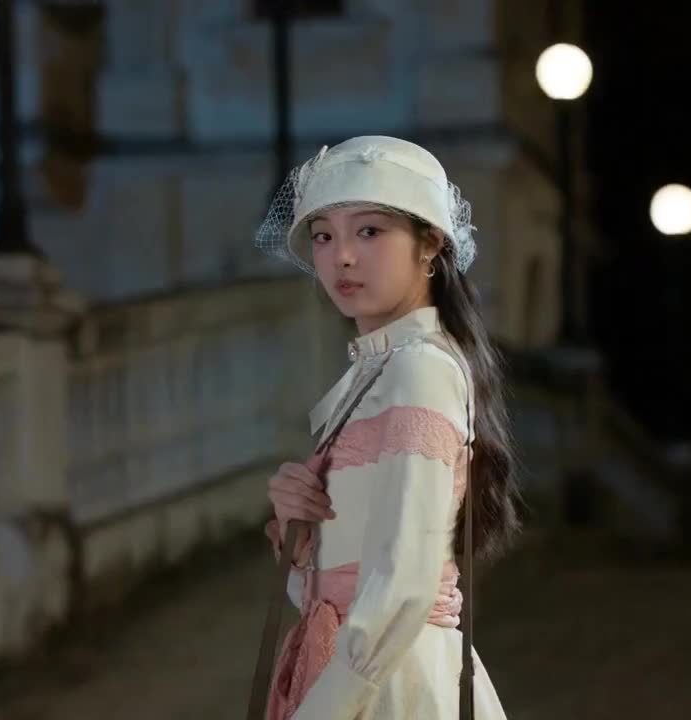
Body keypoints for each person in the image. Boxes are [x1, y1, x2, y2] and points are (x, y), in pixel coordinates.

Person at [256, 136, 523, 719]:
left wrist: (323, 711)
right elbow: (328, 593)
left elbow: (405, 585)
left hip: (388, 686)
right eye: (324, 236)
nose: (342, 257)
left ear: (430, 244)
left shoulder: (420, 368)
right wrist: (299, 527)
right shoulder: (379, 371)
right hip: (360, 672)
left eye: (370, 231)